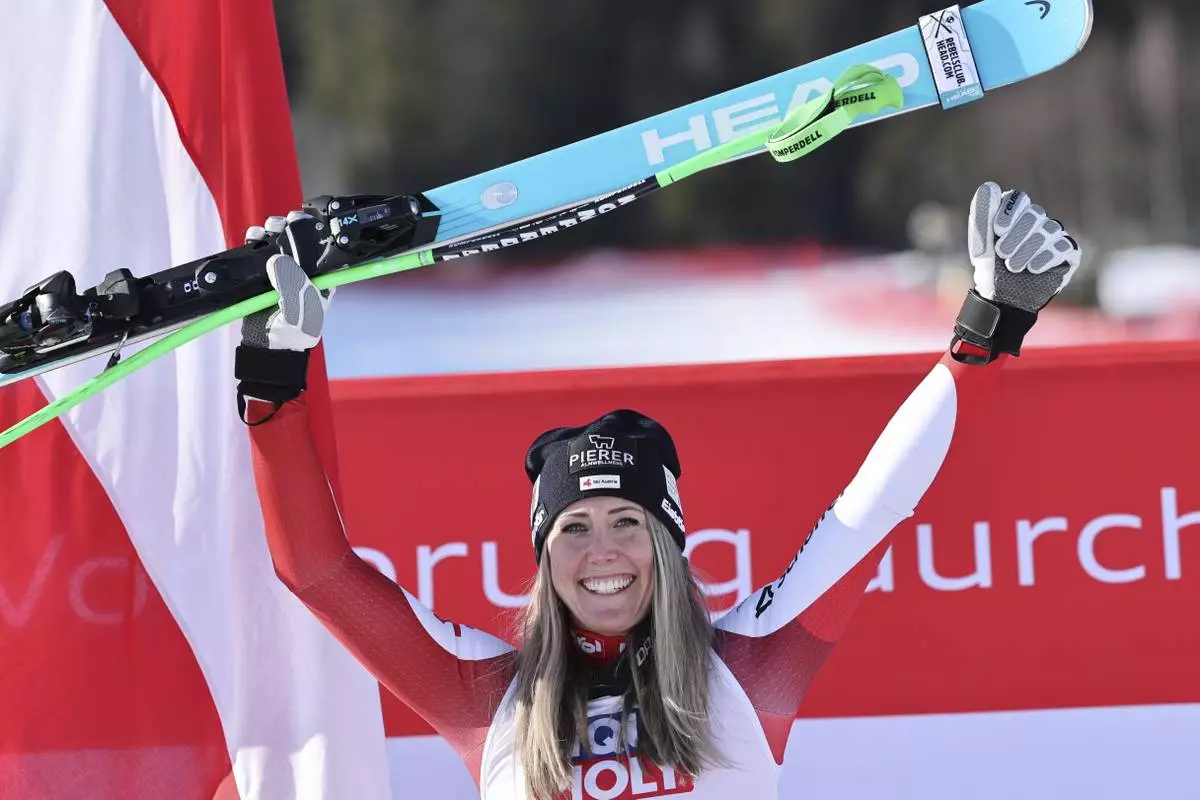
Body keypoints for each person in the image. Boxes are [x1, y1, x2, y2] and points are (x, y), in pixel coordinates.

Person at [235, 181, 1081, 799]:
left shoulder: (748, 671)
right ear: (543, 557)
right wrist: (273, 386)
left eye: (627, 521)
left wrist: (987, 329)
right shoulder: (488, 693)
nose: (601, 551)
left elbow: (871, 510)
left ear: (668, 544)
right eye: (572, 528)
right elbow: (317, 572)